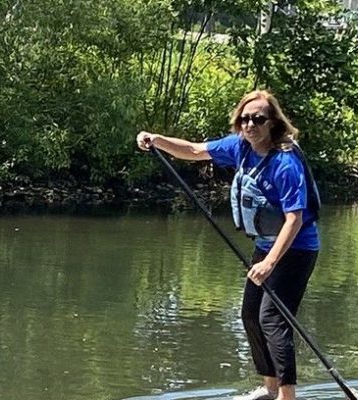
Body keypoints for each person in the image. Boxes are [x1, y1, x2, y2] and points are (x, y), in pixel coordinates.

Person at [136, 90, 321, 400]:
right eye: (245, 119)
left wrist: (268, 264)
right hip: (266, 244)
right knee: (250, 314)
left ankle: (288, 396)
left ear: (273, 123)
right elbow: (195, 150)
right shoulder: (240, 147)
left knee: (273, 319)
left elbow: (294, 220)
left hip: (297, 248)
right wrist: (157, 140)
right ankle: (270, 387)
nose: (250, 125)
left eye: (258, 119)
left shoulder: (285, 163)